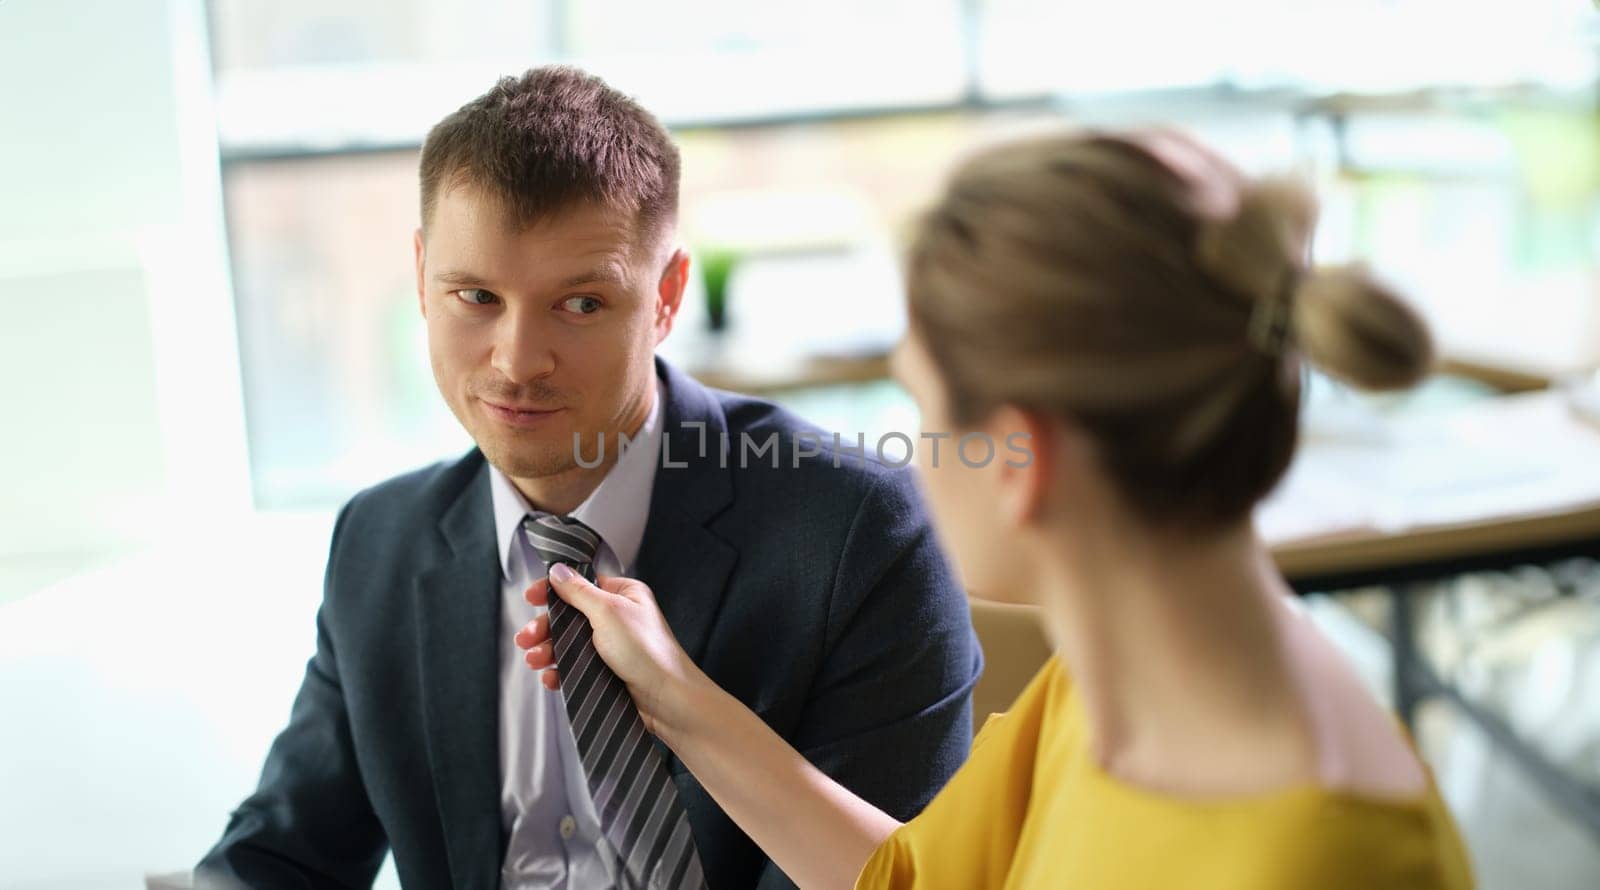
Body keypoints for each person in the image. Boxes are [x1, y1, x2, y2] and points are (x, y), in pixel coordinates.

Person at [515, 130, 1476, 889]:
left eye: (923, 410)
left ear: (1021, 459)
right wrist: (677, 700)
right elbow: (913, 880)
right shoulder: (1110, 688)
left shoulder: (1322, 858)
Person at [196, 66, 981, 889]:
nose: (517, 362)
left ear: (668, 294)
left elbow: (894, 876)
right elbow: (280, 853)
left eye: (580, 305)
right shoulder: (379, 542)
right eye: (475, 296)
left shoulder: (856, 532)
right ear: (423, 278)